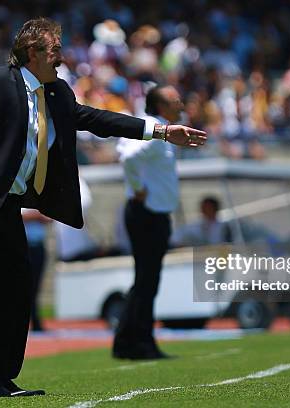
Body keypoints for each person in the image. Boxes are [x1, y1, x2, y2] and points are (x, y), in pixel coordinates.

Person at [0, 18, 206, 398]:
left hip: (9, 205)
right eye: (55, 51)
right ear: (32, 52)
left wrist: (162, 130)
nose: (62, 58)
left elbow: (97, 119)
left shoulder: (56, 94)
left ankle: (1, 376)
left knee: (18, 293)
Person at [113, 84, 196, 360]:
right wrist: (137, 188)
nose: (181, 104)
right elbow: (128, 159)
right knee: (147, 282)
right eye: (175, 100)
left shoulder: (148, 126)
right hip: (147, 213)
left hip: (150, 214)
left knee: (145, 281)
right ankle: (141, 343)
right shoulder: (155, 131)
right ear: (161, 106)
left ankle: (127, 342)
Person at [21, 208, 51, 332]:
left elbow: (49, 217)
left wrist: (35, 216)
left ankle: (34, 320)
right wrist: (37, 216)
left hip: (37, 245)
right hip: (23, 245)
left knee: (34, 287)